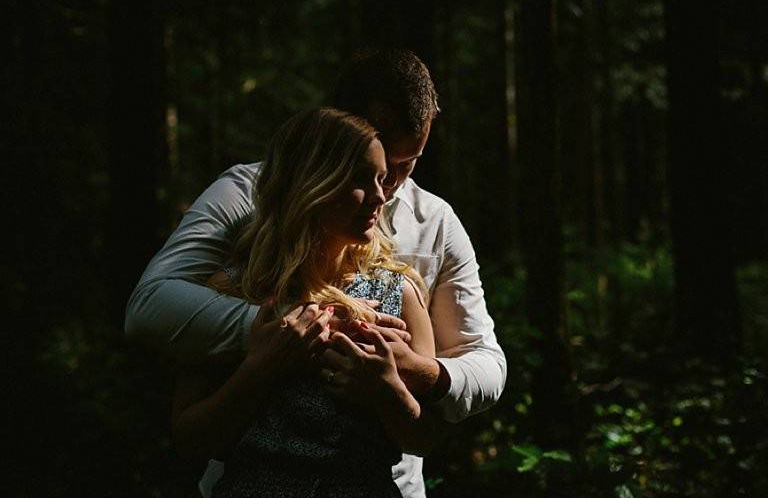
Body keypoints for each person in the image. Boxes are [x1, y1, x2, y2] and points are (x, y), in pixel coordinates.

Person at [125, 48, 506, 498]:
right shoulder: (244, 210)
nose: (390, 187)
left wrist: (410, 371)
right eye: (374, 162)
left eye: (408, 162)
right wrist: (287, 331)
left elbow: (483, 365)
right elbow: (151, 309)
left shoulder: (425, 240)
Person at [173, 107, 436, 497]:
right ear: (313, 182)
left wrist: (386, 389)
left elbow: (427, 438)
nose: (381, 195)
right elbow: (188, 438)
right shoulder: (236, 290)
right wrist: (261, 367)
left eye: (382, 180)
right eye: (361, 179)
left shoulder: (398, 293)